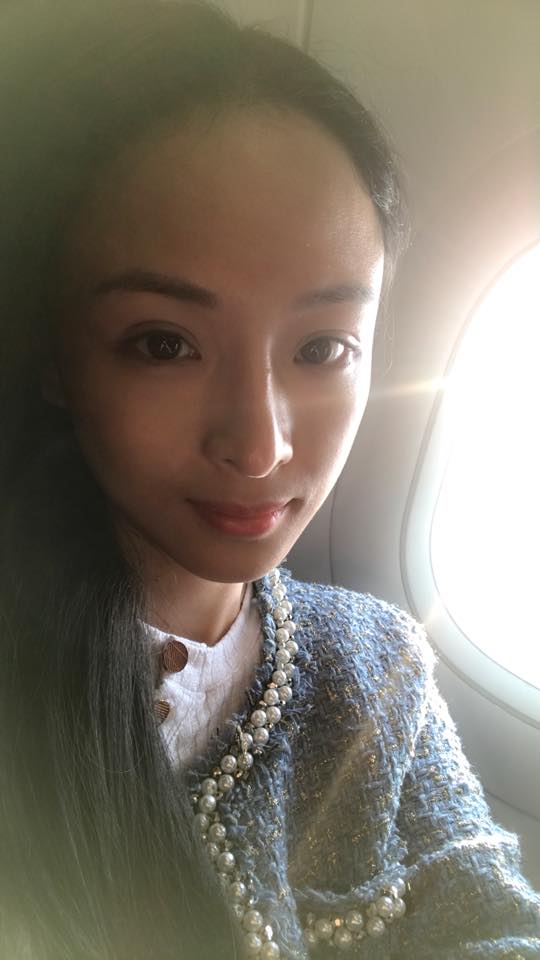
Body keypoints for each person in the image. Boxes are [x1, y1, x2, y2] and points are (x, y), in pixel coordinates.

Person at [0, 1, 538, 957]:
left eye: (322, 347)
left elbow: (489, 915)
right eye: (163, 344)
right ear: (55, 355)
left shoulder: (377, 662)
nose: (259, 447)